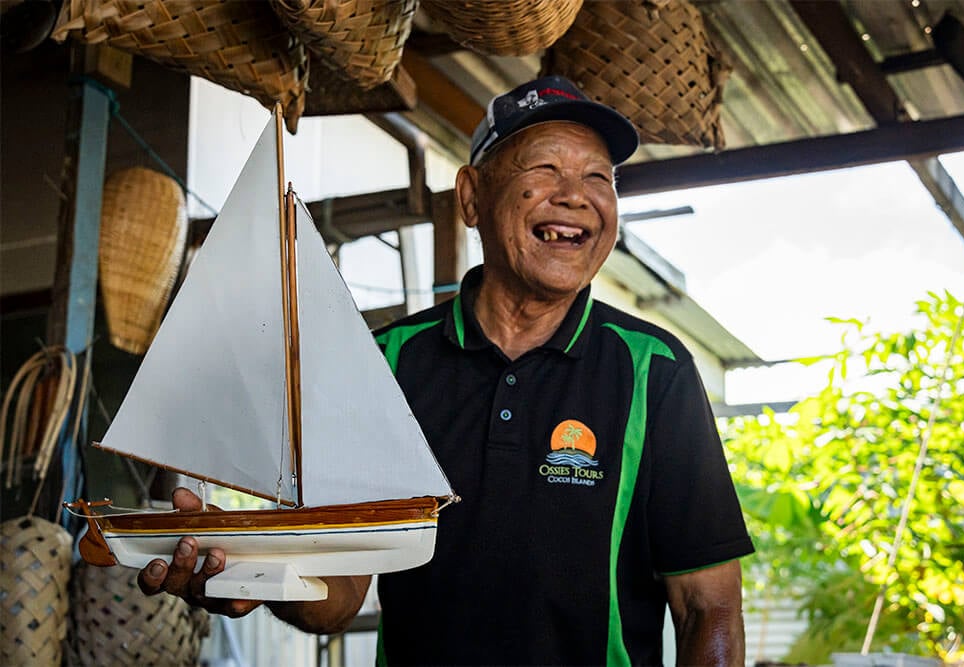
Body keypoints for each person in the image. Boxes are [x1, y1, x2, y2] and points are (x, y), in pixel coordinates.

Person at [139, 75, 755, 665]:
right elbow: (340, 589)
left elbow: (709, 611)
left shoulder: (654, 370)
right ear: (470, 196)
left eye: (599, 176)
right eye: (544, 170)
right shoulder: (385, 362)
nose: (576, 195)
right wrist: (248, 570)